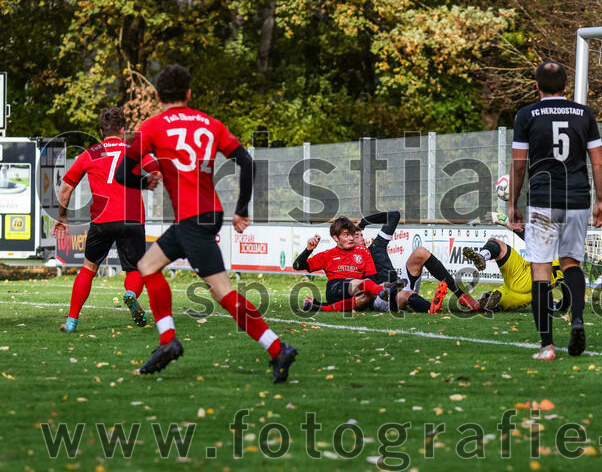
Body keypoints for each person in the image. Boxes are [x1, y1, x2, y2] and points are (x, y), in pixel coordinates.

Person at [115, 64, 297, 383]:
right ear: (188, 94)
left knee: (222, 291)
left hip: (192, 219)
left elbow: (120, 174)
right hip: (206, 214)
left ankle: (277, 347)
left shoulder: (153, 127)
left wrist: (146, 182)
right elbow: (246, 161)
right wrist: (240, 209)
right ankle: (167, 339)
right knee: (147, 266)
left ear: (158, 96)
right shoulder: (210, 124)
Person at [508, 60, 602, 360]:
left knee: (540, 270)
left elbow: (519, 164)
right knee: (571, 264)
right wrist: (600, 199)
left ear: (537, 85)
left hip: (542, 199)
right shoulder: (583, 113)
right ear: (566, 85)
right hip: (577, 198)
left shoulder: (526, 115)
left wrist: (512, 203)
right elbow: (598, 161)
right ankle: (577, 319)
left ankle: (547, 347)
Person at [53, 107, 160, 332]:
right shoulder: (134, 150)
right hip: (132, 219)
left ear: (101, 130)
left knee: (88, 269)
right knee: (135, 269)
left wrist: (62, 217)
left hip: (102, 220)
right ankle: (130, 294)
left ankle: (72, 322)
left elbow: (66, 190)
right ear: (122, 129)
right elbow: (156, 171)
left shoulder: (89, 154)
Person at [294, 217, 382, 312]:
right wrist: (308, 250)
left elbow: (371, 278)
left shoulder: (363, 251)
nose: (351, 238)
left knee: (366, 297)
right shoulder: (328, 254)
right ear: (336, 237)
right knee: (364, 284)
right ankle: (385, 293)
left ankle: (320, 307)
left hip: (356, 290)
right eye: (346, 235)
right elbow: (298, 266)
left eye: (352, 234)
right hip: (335, 288)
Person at [462, 239, 566, 312]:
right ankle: (489, 302)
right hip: (526, 295)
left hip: (524, 274)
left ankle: (483, 256)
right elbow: (568, 295)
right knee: (498, 297)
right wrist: (559, 306)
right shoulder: (570, 269)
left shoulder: (554, 248)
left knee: (498, 245)